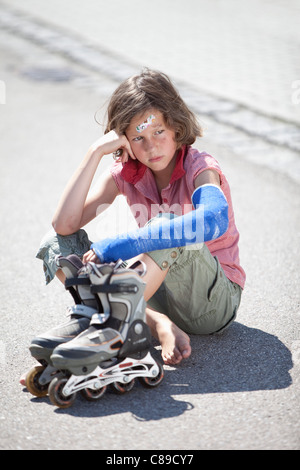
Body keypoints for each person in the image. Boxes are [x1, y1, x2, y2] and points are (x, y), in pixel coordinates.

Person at [36, 68, 246, 367]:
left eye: (158, 131)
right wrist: (94, 152)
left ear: (175, 126)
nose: (151, 146)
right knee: (57, 244)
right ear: (124, 143)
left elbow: (212, 220)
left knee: (164, 226)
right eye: (138, 137)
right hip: (158, 293)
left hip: (212, 302)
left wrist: (125, 244)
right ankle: (155, 322)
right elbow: (64, 225)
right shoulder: (127, 174)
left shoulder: (201, 167)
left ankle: (110, 329)